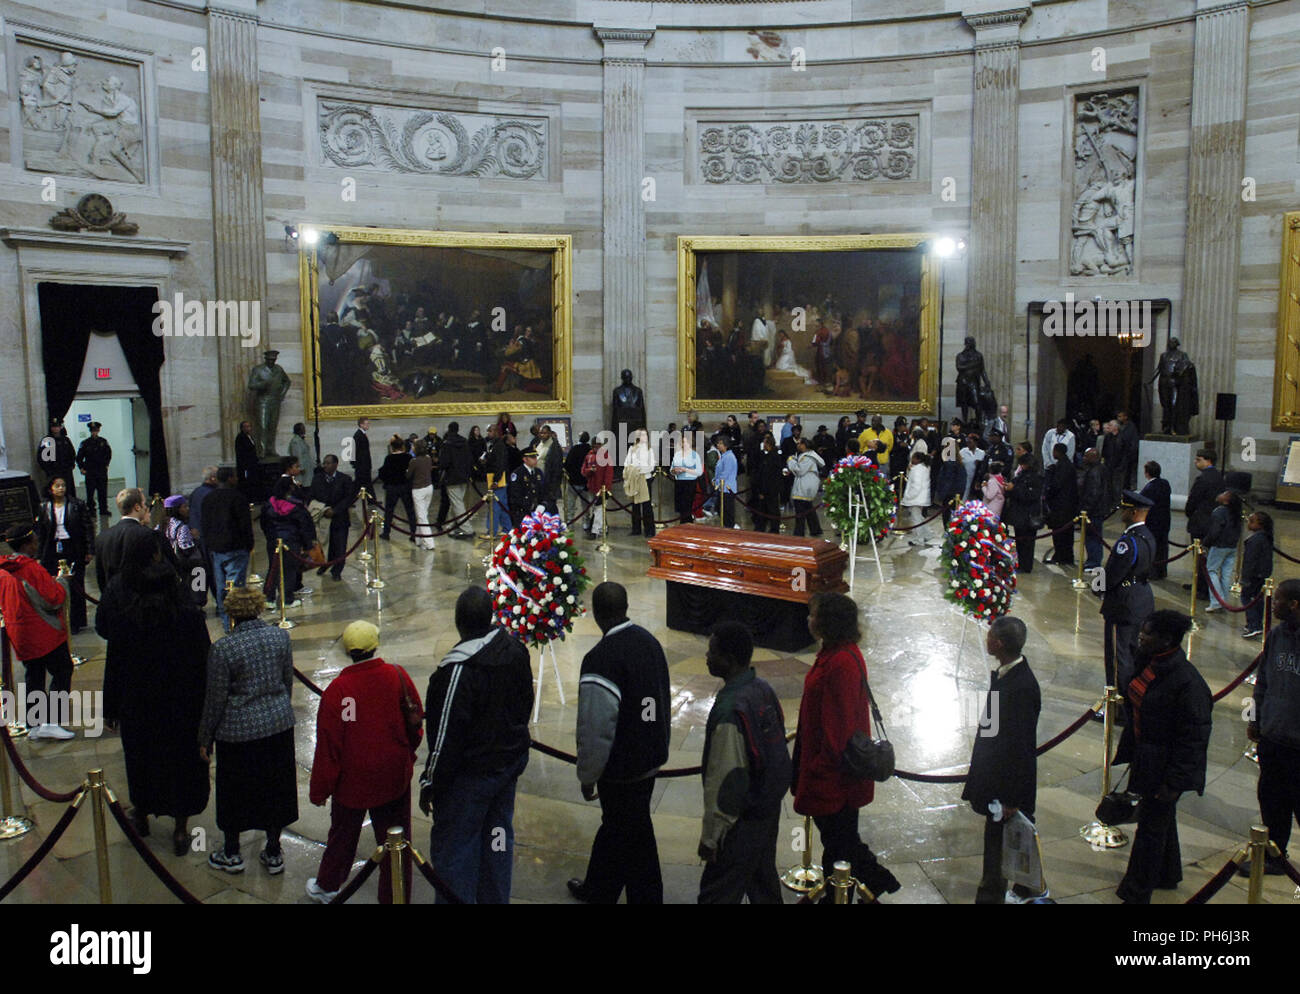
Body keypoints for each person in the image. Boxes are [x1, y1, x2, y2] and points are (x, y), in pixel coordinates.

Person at [418, 587, 534, 904]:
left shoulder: (456, 671)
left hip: (469, 780)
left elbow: (444, 736)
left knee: (456, 851)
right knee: (497, 839)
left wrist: (430, 781)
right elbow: (525, 706)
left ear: (459, 623)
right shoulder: (515, 650)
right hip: (505, 769)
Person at [97, 536, 208, 854]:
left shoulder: (125, 619)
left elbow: (113, 666)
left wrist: (111, 707)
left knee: (141, 760)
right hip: (181, 703)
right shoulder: (186, 615)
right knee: (182, 763)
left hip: (138, 704)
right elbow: (203, 658)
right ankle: (180, 829)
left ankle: (142, 814)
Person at [568, 582, 672, 904]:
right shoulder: (650, 642)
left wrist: (588, 775)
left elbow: (597, 726)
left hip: (622, 768)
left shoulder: (600, 659)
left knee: (631, 833)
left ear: (597, 615)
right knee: (621, 827)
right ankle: (599, 888)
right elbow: (661, 700)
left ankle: (642, 897)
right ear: (625, 608)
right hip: (650, 758)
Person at [793, 591, 901, 898]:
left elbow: (837, 732)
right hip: (834, 775)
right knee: (840, 844)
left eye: (813, 615)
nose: (808, 619)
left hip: (835, 780)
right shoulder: (837, 652)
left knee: (841, 848)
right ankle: (868, 884)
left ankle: (871, 882)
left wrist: (816, 770)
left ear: (827, 622)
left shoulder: (841, 662)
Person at [307, 621, 423, 903]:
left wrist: (320, 789)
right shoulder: (396, 676)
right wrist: (407, 752)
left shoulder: (339, 690)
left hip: (353, 781)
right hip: (393, 774)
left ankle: (328, 885)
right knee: (397, 839)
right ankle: (396, 894)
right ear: (375, 646)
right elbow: (415, 720)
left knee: (342, 836)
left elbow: (329, 746)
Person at [1113, 611, 1211, 903]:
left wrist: (1175, 782)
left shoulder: (1188, 683)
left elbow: (1194, 737)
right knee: (1160, 819)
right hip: (1146, 755)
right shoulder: (1149, 661)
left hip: (1165, 766)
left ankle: (1137, 891)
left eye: (1147, 633)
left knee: (1151, 828)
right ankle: (1167, 873)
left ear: (1167, 640)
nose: (1141, 636)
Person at [199, 585, 298, 874]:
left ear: (231, 613)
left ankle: (231, 851)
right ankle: (273, 849)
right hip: (278, 725)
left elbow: (215, 698)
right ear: (259, 608)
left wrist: (205, 737)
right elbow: (287, 680)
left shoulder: (223, 648)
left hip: (238, 733)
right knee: (275, 787)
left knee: (234, 792)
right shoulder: (281, 637)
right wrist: (278, 709)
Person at [697, 621, 791, 904]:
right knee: (763, 884)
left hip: (740, 825)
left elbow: (727, 779)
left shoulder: (730, 710)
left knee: (717, 893)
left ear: (729, 659)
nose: (707, 657)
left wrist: (711, 837)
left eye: (712, 652)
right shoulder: (762, 688)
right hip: (767, 810)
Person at [961, 615, 1042, 903]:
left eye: (990, 635)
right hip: (995, 779)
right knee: (996, 842)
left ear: (999, 643)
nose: (986, 639)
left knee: (997, 850)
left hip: (1004, 788)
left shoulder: (1021, 687)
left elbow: (1019, 748)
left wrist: (1009, 798)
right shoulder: (1008, 675)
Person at [0, 524, 76, 740]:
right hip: (44, 632)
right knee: (62, 671)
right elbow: (54, 598)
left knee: (34, 676)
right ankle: (52, 721)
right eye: (34, 540)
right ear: (26, 544)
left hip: (20, 634)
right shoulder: (31, 568)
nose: (37, 543)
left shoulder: (4, 570)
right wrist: (62, 582)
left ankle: (34, 724)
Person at [1245, 578, 1300, 874]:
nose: (1273, 604)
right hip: (1273, 737)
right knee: (1271, 800)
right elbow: (1262, 681)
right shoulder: (1277, 635)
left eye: (1278, 600)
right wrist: (1255, 718)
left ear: (1294, 604)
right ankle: (1274, 856)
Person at [1098, 490, 1157, 696]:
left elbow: (1114, 573)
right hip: (1141, 597)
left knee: (1118, 655)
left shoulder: (1128, 541)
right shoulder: (1148, 535)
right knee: (1134, 653)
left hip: (1123, 603)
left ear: (1132, 513)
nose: (1121, 513)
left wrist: (1100, 587)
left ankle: (1117, 703)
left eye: (1124, 509)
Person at [37, 477, 94, 633]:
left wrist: (89, 550)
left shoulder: (77, 505)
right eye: (58, 486)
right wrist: (39, 555)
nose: (61, 488)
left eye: (63, 485)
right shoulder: (44, 507)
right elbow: (41, 533)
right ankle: (59, 618)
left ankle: (76, 620)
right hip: (52, 548)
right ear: (51, 489)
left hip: (73, 547)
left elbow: (87, 527)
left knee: (75, 584)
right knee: (55, 584)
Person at [204, 467, 254, 632]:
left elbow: (205, 525)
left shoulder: (208, 498)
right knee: (236, 588)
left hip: (216, 549)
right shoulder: (237, 498)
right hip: (236, 548)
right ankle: (237, 624)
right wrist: (249, 544)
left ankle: (227, 623)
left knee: (221, 588)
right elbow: (245, 525)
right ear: (231, 478)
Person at [94, 487, 171, 592]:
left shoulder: (102, 537)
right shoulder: (147, 534)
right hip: (141, 601)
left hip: (114, 600)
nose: (146, 508)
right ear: (137, 507)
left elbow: (101, 577)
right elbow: (156, 572)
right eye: (144, 504)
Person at [260, 476, 316, 607]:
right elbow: (304, 527)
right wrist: (307, 545)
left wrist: (270, 537)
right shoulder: (296, 507)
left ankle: (269, 598)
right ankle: (287, 599)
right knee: (289, 571)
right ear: (290, 488)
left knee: (273, 568)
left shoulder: (269, 505)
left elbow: (264, 524)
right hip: (291, 541)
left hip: (273, 540)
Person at [1183, 449, 1223, 600]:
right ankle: (1199, 584)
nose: (1195, 462)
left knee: (1201, 558)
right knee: (1203, 558)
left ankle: (1203, 588)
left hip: (1201, 522)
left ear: (1208, 461)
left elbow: (1194, 499)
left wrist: (1189, 512)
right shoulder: (1218, 476)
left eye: (1198, 459)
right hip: (1212, 521)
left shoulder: (1203, 479)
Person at [309, 455, 354, 582]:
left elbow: (348, 498)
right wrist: (323, 509)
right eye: (324, 463)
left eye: (328, 463)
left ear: (335, 464)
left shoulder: (345, 479)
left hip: (340, 518)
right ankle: (325, 565)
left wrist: (335, 510)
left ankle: (337, 570)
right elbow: (311, 496)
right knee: (324, 545)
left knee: (340, 546)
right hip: (323, 518)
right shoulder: (317, 479)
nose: (325, 466)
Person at [159, 494, 206, 606]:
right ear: (178, 509)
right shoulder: (181, 527)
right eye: (185, 507)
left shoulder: (161, 525)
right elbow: (186, 548)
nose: (187, 509)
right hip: (187, 568)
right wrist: (195, 539)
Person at [1202, 489, 1242, 614]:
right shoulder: (1236, 512)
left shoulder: (1219, 512)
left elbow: (1214, 531)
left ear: (1226, 500)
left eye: (1223, 494)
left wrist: (1206, 543)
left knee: (1211, 571)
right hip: (1232, 546)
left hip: (1219, 545)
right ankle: (1224, 601)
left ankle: (1216, 602)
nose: (1219, 494)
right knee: (1226, 574)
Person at [1002, 453, 1042, 572]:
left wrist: (1014, 489)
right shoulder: (1021, 475)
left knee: (1028, 543)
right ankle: (1021, 562)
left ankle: (1026, 566)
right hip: (1019, 513)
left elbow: (1031, 495)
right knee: (1020, 541)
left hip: (1028, 513)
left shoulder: (1036, 478)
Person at [1042, 443, 1079, 567]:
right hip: (1066, 505)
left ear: (1058, 452)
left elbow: (1056, 485)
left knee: (1061, 532)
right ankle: (1063, 555)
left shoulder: (1063, 466)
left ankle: (1061, 555)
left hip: (1061, 505)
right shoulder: (1065, 465)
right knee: (1065, 533)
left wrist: (1048, 493)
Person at [1239, 511, 1273, 639]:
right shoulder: (1265, 537)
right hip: (1261, 573)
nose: (1249, 523)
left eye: (1252, 521)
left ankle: (1254, 625)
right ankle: (1255, 624)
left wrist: (1245, 578)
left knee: (1248, 599)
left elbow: (1250, 560)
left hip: (1254, 575)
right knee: (1257, 599)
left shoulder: (1256, 539)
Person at [377, 435, 416, 543]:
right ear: (402, 446)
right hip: (405, 486)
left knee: (389, 511)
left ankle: (386, 533)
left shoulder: (389, 458)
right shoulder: (408, 457)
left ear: (392, 447)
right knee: (410, 511)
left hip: (392, 487)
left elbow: (383, 473)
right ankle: (413, 533)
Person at [439, 422, 474, 537]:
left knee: (457, 503)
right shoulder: (464, 442)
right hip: (464, 477)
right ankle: (450, 526)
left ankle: (467, 528)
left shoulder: (446, 444)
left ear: (449, 429)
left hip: (452, 477)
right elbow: (470, 459)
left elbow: (443, 462)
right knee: (457, 501)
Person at [786, 437, 824, 537]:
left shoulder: (807, 457)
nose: (797, 445)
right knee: (809, 509)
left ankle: (799, 532)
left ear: (804, 445)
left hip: (803, 488)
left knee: (800, 511)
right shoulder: (808, 456)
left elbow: (799, 470)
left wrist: (791, 461)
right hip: (806, 487)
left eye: (799, 443)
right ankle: (815, 530)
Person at [1140, 462, 1172, 580]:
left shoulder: (1149, 488)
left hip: (1153, 522)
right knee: (1162, 547)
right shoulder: (1165, 484)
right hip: (1164, 521)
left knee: (1152, 547)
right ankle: (1161, 570)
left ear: (1147, 473)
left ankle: (1152, 572)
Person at [623, 430, 656, 538]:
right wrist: (632, 470)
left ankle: (649, 530)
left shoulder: (649, 449)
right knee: (635, 505)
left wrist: (640, 470)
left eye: (645, 434)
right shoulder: (632, 449)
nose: (644, 436)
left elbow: (651, 466)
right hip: (634, 479)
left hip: (645, 478)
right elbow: (627, 462)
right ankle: (636, 529)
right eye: (642, 435)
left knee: (647, 505)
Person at [1079, 448, 1108, 571]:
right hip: (1099, 509)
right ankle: (1093, 560)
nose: (1084, 459)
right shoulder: (1100, 469)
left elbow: (1094, 493)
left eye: (1086, 456)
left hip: (1093, 511)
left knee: (1092, 537)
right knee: (1094, 536)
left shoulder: (1094, 472)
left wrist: (1086, 509)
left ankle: (1093, 562)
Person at [481, 425, 513, 537]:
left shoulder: (499, 446)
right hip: (495, 476)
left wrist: (495, 481)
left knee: (494, 506)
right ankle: (507, 528)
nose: (488, 433)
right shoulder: (493, 445)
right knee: (502, 504)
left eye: (490, 431)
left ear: (496, 432)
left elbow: (500, 464)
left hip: (498, 478)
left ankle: (491, 531)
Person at [75, 421, 112, 515]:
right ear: (90, 431)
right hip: (90, 471)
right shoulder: (85, 443)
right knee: (90, 492)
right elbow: (79, 457)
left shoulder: (103, 442)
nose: (94, 432)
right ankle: (91, 509)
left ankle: (103, 509)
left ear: (99, 430)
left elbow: (108, 454)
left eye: (96, 430)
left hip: (101, 470)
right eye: (92, 431)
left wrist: (107, 464)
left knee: (102, 491)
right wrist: (81, 468)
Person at [406, 440, 437, 551]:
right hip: (429, 487)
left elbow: (408, 475)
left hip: (418, 490)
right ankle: (418, 539)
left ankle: (429, 542)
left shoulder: (414, 461)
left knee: (422, 516)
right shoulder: (428, 458)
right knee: (423, 513)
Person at [582, 439, 614, 538]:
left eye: (598, 445)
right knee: (596, 510)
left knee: (599, 510)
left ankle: (595, 530)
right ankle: (604, 528)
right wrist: (589, 471)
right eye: (595, 445)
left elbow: (609, 474)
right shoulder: (589, 456)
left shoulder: (606, 456)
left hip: (602, 488)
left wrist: (605, 488)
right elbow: (583, 471)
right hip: (592, 487)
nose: (597, 447)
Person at [507, 445, 546, 528]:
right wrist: (528, 507)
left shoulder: (538, 472)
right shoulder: (518, 474)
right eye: (532, 457)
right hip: (522, 511)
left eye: (535, 457)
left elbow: (543, 490)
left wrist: (542, 504)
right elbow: (515, 495)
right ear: (525, 459)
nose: (535, 459)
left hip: (537, 510)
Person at [670, 431, 704, 525]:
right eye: (682, 442)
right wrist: (674, 471)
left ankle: (688, 525)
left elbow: (699, 471)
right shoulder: (677, 454)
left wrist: (685, 469)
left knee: (687, 507)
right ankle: (682, 525)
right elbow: (671, 469)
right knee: (681, 507)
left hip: (690, 483)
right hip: (679, 482)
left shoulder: (695, 455)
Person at [38, 417, 77, 496]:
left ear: (60, 427)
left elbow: (72, 454)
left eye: (57, 427)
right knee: (55, 493)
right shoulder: (47, 441)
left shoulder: (65, 440)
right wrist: (48, 470)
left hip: (66, 472)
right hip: (53, 472)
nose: (55, 429)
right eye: (53, 427)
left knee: (68, 492)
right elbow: (42, 458)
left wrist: (70, 466)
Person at [564, 431, 593, 526]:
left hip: (573, 481)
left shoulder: (574, 449)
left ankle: (570, 522)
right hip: (585, 482)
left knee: (571, 505)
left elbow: (567, 464)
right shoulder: (590, 450)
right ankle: (586, 523)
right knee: (585, 506)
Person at [713, 436, 738, 529]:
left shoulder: (729, 457)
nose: (718, 445)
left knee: (727, 511)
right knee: (720, 509)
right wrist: (714, 480)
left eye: (720, 443)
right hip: (721, 488)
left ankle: (730, 527)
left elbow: (725, 473)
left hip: (727, 487)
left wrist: (717, 482)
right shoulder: (723, 456)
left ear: (726, 445)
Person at [900, 450, 931, 523]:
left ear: (918, 459)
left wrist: (909, 496)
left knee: (916, 519)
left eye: (913, 458)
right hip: (921, 498)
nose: (911, 459)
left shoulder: (916, 470)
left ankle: (922, 533)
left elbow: (916, 485)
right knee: (917, 518)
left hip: (916, 499)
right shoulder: (924, 468)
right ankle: (922, 533)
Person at [959, 434, 985, 501]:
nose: (968, 444)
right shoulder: (963, 451)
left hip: (976, 479)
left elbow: (984, 466)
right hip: (965, 478)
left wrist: (979, 463)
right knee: (964, 497)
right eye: (967, 442)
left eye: (970, 442)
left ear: (975, 443)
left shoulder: (981, 453)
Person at [350, 417, 373, 493]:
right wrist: (355, 463)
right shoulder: (358, 435)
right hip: (362, 464)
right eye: (366, 424)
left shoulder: (361, 434)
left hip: (364, 464)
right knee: (359, 483)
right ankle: (349, 500)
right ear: (361, 425)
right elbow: (355, 449)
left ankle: (372, 500)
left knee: (366, 482)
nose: (368, 425)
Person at [288, 423, 314, 488]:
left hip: (307, 466)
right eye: (303, 428)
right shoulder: (296, 441)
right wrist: (300, 468)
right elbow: (297, 455)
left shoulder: (300, 440)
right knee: (303, 484)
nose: (304, 430)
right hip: (302, 468)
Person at [234, 420, 258, 492]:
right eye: (246, 427)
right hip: (246, 465)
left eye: (249, 426)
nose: (248, 428)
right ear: (242, 428)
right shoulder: (240, 437)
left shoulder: (249, 437)